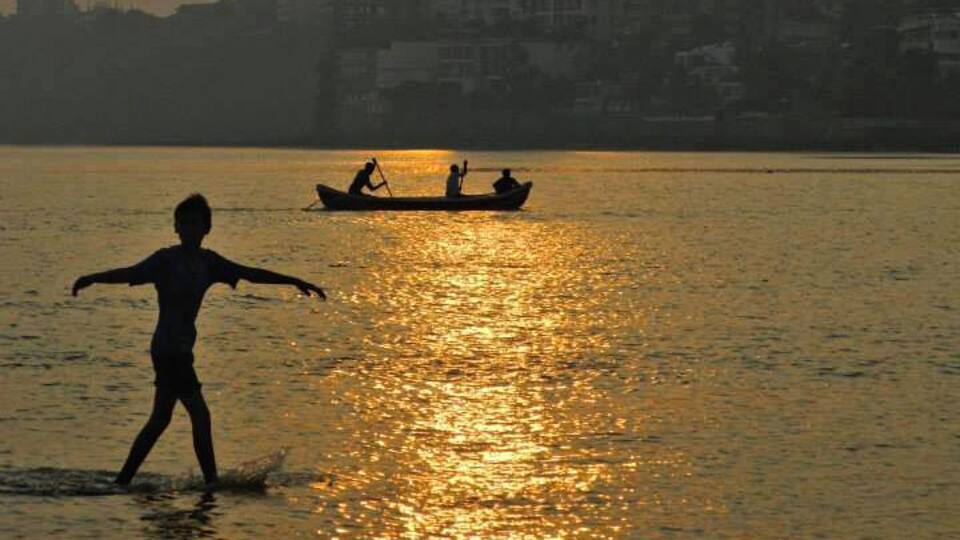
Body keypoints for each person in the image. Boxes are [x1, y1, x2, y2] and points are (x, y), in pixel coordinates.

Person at [71, 194, 326, 488]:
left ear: (207, 228)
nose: (190, 229)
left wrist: (295, 280)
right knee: (200, 415)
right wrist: (93, 278)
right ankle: (211, 483)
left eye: (196, 224)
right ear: (176, 228)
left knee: (160, 419)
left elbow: (250, 273)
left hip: (180, 350)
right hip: (169, 350)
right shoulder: (165, 260)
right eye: (185, 223)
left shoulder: (210, 263)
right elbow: (130, 272)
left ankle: (122, 481)